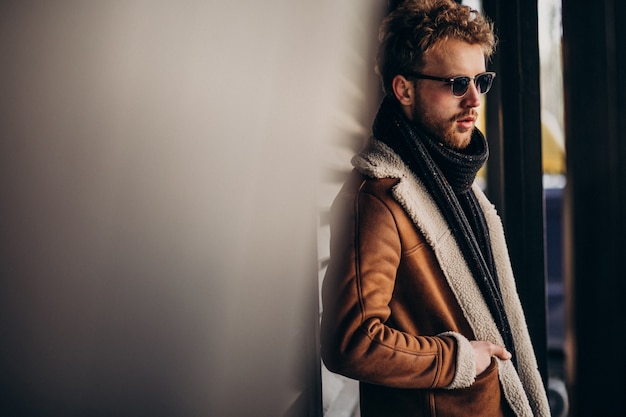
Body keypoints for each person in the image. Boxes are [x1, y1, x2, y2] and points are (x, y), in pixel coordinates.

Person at [320, 1, 551, 416]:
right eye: (457, 83)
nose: (474, 100)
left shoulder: (451, 181)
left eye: (481, 80)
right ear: (404, 89)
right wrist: (460, 360)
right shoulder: (377, 199)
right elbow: (351, 341)